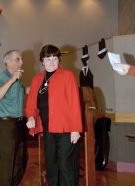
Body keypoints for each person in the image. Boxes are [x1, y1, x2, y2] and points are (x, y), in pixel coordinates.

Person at [25, 44, 83, 186]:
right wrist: (31, 117)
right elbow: (31, 103)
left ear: (59, 60)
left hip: (66, 130)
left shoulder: (67, 75)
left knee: (65, 164)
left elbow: (74, 103)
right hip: (48, 129)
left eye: (55, 58)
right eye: (48, 58)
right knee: (51, 164)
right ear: (42, 61)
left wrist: (76, 129)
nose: (52, 62)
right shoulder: (37, 79)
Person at [0, 50, 28, 186]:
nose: (22, 62)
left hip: (18, 124)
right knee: (6, 162)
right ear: (8, 61)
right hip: (6, 125)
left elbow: (24, 92)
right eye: (18, 59)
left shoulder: (17, 80)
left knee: (20, 160)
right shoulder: (3, 77)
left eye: (21, 59)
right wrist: (12, 79)